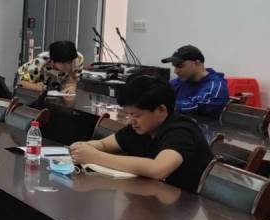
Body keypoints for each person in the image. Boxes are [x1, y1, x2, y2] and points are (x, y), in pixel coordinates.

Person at [68, 76, 212, 192]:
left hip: (184, 207)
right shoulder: (140, 128)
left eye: (136, 115)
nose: (131, 120)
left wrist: (96, 157)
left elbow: (158, 169)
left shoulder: (182, 131)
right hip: (151, 196)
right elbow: (104, 144)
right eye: (128, 114)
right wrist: (84, 147)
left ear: (161, 110)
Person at [162, 45, 229, 116]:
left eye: (180, 66)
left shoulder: (216, 85)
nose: (176, 71)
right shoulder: (179, 81)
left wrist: (164, 106)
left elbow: (199, 105)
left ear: (197, 63)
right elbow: (160, 92)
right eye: (175, 66)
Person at [17, 39, 84, 94]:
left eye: (70, 62)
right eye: (64, 63)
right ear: (53, 61)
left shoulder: (78, 59)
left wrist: (71, 87)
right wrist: (36, 87)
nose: (68, 66)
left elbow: (73, 79)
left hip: (55, 88)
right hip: (34, 86)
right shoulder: (40, 61)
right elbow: (20, 83)